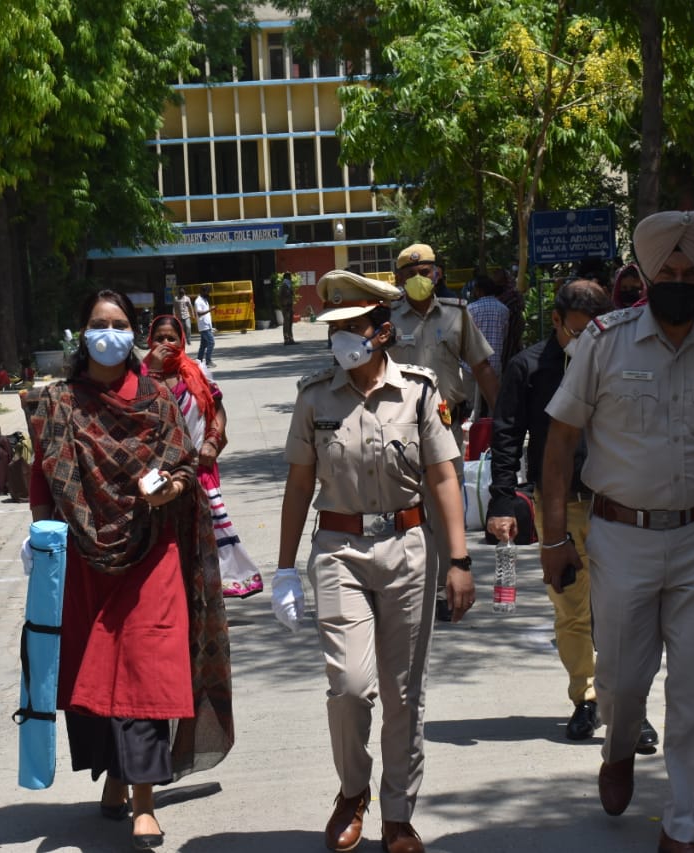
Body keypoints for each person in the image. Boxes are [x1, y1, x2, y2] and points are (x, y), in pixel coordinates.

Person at [539, 211, 694, 853]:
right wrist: (554, 536)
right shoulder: (604, 341)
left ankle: (684, 826)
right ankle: (618, 748)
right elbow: (561, 442)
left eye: (688, 273)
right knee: (619, 677)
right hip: (621, 538)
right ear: (647, 277)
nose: (677, 280)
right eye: (665, 272)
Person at [273, 270, 474, 853]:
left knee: (404, 692)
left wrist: (458, 558)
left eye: (352, 327)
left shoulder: (418, 390)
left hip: (410, 549)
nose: (341, 339)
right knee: (352, 687)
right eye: (334, 328)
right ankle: (351, 791)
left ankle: (396, 814)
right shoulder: (315, 398)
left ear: (382, 330)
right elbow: (298, 485)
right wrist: (285, 568)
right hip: (339, 551)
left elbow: (443, 478)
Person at [28, 289, 233, 850]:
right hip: (84, 555)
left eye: (119, 324)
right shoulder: (59, 403)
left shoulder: (159, 399)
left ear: (133, 333)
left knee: (146, 670)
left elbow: (186, 465)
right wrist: (40, 534)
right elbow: (44, 478)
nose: (109, 333)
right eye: (99, 323)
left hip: (153, 550)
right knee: (96, 673)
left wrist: (173, 489)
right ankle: (115, 777)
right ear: (83, 332)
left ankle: (144, 800)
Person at [485, 279, 659, 753]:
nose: (587, 340)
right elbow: (506, 435)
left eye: (597, 330)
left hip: (620, 505)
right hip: (557, 506)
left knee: (625, 612)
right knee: (571, 607)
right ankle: (585, 697)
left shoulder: (624, 363)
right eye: (578, 330)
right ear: (557, 321)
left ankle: (630, 708)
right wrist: (502, 502)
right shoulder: (529, 367)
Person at [390, 243, 498, 621]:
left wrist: (502, 420)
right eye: (412, 273)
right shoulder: (387, 318)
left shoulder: (457, 315)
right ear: (399, 278)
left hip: (445, 426)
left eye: (427, 272)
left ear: (437, 274)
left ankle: (445, 587)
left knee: (443, 510)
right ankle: (405, 590)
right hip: (396, 433)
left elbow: (482, 368)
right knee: (402, 512)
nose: (421, 279)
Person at [143, 315, 263, 598]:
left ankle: (213, 585)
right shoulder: (140, 375)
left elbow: (216, 408)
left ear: (182, 340)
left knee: (206, 526)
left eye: (171, 337)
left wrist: (212, 440)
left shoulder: (196, 370)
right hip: (158, 471)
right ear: (150, 342)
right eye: (159, 338)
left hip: (199, 466)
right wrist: (155, 371)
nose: (165, 343)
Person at [464, 274, 509, 418]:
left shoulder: (470, 309)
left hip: (470, 366)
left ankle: (472, 436)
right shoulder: (504, 310)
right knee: (494, 407)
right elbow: (505, 334)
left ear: (478, 291)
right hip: (494, 365)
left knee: (470, 409)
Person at [194, 285, 216, 366]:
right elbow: (199, 313)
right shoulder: (198, 301)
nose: (208, 293)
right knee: (211, 342)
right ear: (202, 292)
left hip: (207, 325)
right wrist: (210, 309)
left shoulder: (204, 299)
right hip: (203, 326)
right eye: (207, 292)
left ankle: (199, 360)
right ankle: (208, 361)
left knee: (203, 345)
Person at [279, 273, 297, 345]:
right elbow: (280, 296)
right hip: (286, 307)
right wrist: (284, 305)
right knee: (286, 323)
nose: (290, 279)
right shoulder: (283, 286)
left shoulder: (289, 285)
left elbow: (291, 295)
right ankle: (286, 339)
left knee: (290, 323)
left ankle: (291, 339)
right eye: (289, 277)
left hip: (290, 306)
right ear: (286, 278)